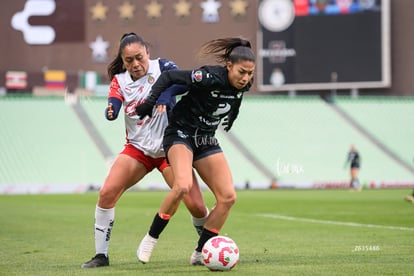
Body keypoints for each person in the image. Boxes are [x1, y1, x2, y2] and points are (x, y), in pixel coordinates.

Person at [81, 33, 209, 268]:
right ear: (123, 60)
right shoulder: (119, 80)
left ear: (147, 53)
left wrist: (166, 94)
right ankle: (101, 255)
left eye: (139, 57)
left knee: (196, 205)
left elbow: (184, 82)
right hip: (138, 150)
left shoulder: (163, 66)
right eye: (129, 60)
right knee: (107, 193)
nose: (135, 64)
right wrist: (111, 110)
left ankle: (208, 248)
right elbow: (114, 101)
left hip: (171, 148)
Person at [135, 37, 255, 265]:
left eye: (250, 74)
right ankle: (151, 237)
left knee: (228, 197)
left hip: (206, 140)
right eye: (242, 72)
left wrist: (232, 118)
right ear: (229, 66)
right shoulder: (208, 76)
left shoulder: (244, 85)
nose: (246, 78)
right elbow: (170, 77)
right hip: (181, 133)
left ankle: (200, 252)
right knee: (182, 186)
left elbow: (236, 100)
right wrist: (151, 101)